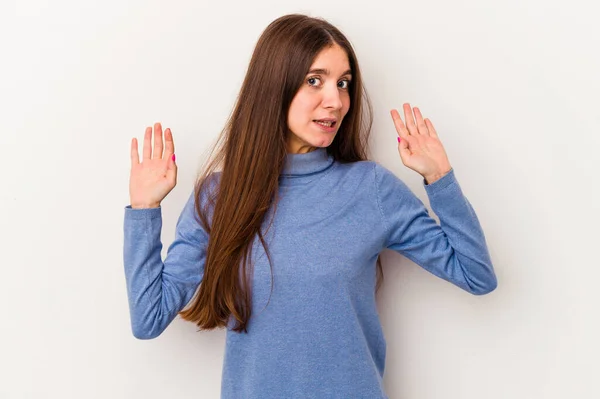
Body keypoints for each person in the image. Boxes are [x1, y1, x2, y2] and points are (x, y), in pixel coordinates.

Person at [123, 13, 497, 399]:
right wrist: (143, 210)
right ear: (275, 87)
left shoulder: (370, 189)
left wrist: (440, 179)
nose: (335, 101)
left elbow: (477, 275)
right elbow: (148, 318)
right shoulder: (221, 197)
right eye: (314, 81)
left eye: (344, 83)